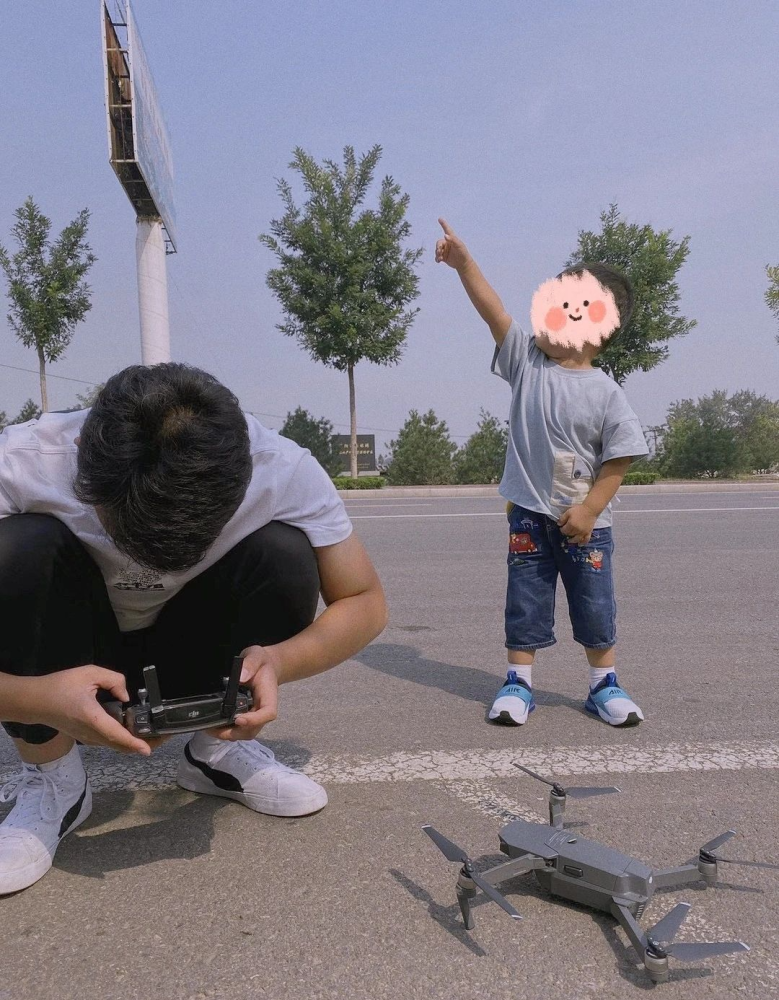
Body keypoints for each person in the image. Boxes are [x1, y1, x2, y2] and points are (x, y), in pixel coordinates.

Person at [0, 363, 387, 894]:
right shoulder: (20, 462)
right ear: (86, 477)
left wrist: (280, 661)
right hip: (66, 655)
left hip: (189, 648)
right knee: (16, 550)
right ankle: (54, 777)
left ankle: (216, 752)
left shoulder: (283, 467)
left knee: (285, 553)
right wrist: (34, 700)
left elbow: (364, 602)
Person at [436, 218, 648, 729]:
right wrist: (464, 264)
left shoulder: (607, 392)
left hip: (587, 525)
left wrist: (591, 508)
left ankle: (604, 685)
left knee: (594, 607)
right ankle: (518, 682)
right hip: (529, 517)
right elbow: (494, 313)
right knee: (525, 601)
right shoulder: (526, 363)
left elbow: (619, 458)